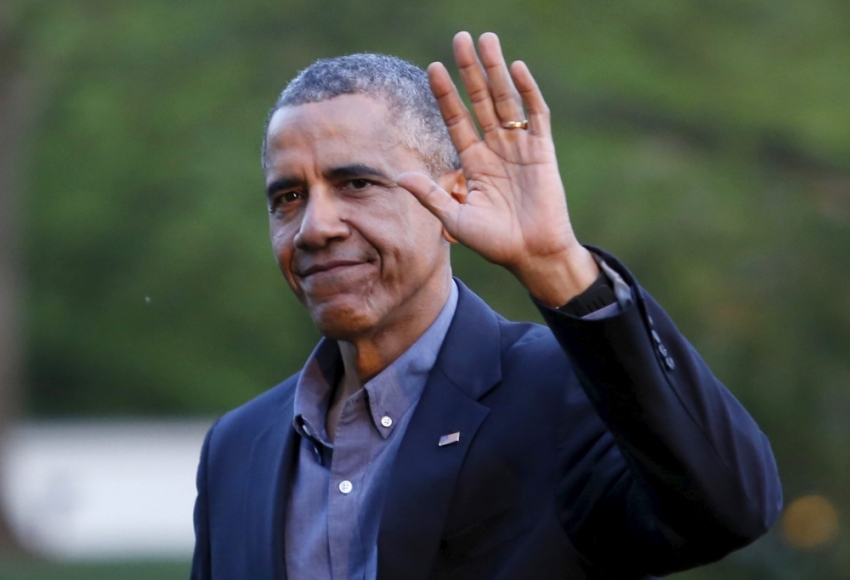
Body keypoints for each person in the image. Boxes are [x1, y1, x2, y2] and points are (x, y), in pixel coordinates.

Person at [191, 31, 781, 579]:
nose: (314, 227)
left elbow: (730, 509)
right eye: (289, 197)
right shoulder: (238, 448)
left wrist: (556, 264)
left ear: (453, 201)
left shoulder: (564, 391)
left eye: (357, 185)